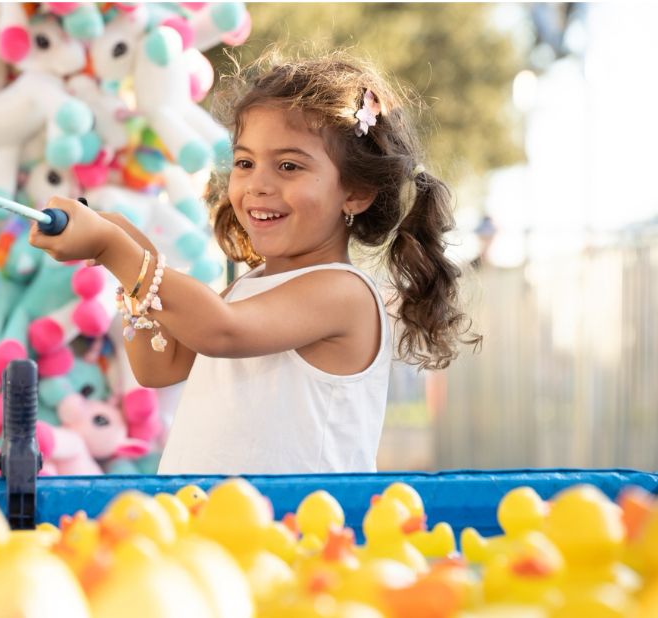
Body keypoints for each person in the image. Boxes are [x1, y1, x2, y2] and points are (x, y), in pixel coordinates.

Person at [30, 51, 480, 475]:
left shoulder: (343, 293)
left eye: (288, 166)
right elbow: (157, 368)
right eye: (245, 162)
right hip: (220, 536)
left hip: (295, 543)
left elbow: (221, 330)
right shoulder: (251, 287)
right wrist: (129, 247)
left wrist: (117, 249)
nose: (258, 184)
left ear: (356, 193)